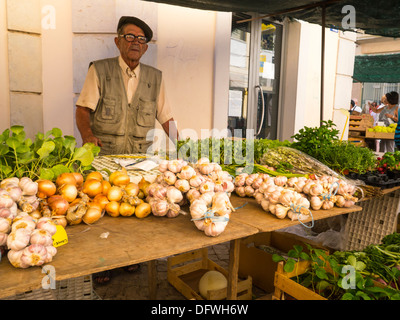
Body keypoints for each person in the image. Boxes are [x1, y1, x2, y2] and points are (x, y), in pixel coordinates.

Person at [75, 16, 179, 284]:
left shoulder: (156, 78)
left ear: (146, 47)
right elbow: (83, 109)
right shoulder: (99, 70)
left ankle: (131, 259)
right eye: (130, 37)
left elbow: (166, 117)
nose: (136, 43)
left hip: (138, 159)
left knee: (135, 210)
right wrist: (87, 135)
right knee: (104, 211)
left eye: (141, 39)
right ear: (117, 40)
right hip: (104, 156)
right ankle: (103, 265)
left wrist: (184, 146)